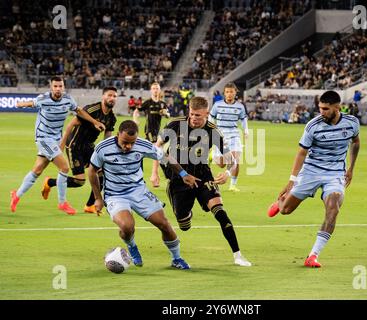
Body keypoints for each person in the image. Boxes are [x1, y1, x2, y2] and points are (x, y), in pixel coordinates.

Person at [150, 96, 252, 267]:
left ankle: (238, 255)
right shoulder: (175, 124)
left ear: (207, 113)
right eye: (192, 114)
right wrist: (154, 173)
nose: (194, 119)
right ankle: (188, 212)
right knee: (184, 225)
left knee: (220, 212)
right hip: (178, 179)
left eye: (198, 115)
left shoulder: (213, 130)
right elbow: (156, 147)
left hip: (203, 176)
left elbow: (231, 159)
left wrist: (227, 172)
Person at [267, 91, 360, 268]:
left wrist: (351, 168)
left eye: (325, 109)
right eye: (320, 108)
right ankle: (280, 202)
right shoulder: (313, 126)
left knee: (333, 208)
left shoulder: (352, 123)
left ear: (337, 107)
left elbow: (356, 142)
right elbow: (301, 152)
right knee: (286, 210)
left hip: (335, 174)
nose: (322, 112)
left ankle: (313, 255)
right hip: (310, 171)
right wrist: (292, 180)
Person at [88, 120, 195, 269]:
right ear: (118, 134)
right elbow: (92, 171)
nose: (128, 147)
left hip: (139, 191)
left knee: (163, 224)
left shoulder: (142, 145)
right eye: (125, 142)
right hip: (115, 194)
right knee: (127, 226)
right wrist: (98, 198)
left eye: (132, 143)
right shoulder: (103, 148)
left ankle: (176, 258)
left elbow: (165, 157)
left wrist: (183, 173)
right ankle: (131, 246)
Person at [10, 76, 106, 215]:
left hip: (55, 138)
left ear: (63, 87)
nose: (58, 89)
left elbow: (79, 111)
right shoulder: (43, 99)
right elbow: (31, 103)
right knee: (65, 167)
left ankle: (16, 195)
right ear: (51, 87)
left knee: (37, 170)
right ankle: (62, 203)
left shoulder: (68, 99)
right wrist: (19, 104)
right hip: (43, 138)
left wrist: (94, 122)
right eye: (55, 86)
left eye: (60, 86)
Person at [40, 86, 118, 214]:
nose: (112, 98)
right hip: (74, 145)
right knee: (79, 181)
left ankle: (90, 205)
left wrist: (106, 155)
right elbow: (71, 123)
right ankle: (50, 182)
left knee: (102, 174)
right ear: (103, 96)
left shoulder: (111, 118)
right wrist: (62, 143)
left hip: (89, 147)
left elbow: (107, 138)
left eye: (114, 96)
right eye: (109, 95)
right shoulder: (92, 110)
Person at [209, 83, 249, 192]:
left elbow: (243, 119)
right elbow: (211, 118)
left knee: (236, 160)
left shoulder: (240, 106)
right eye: (227, 92)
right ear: (224, 93)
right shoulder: (217, 105)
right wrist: (209, 130)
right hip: (220, 136)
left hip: (234, 135)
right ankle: (212, 155)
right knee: (221, 164)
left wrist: (246, 131)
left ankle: (233, 185)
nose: (229, 94)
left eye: (231, 92)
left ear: (235, 92)